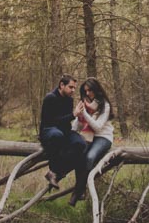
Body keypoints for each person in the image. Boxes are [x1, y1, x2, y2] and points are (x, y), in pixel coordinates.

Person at [69, 77, 114, 206]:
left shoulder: (105, 105)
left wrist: (85, 114)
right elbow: (78, 126)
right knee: (79, 155)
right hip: (89, 137)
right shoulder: (86, 104)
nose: (88, 93)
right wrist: (78, 116)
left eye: (90, 90)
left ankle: (76, 192)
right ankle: (81, 191)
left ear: (97, 90)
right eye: (86, 91)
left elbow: (98, 127)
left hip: (103, 137)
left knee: (89, 157)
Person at [39, 74, 88, 190]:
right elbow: (51, 121)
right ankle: (55, 170)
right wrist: (73, 115)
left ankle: (56, 172)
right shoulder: (50, 98)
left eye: (74, 88)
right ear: (62, 85)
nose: (73, 90)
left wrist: (79, 117)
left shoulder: (69, 100)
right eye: (71, 87)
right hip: (48, 130)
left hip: (63, 131)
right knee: (57, 135)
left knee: (81, 143)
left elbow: (66, 123)